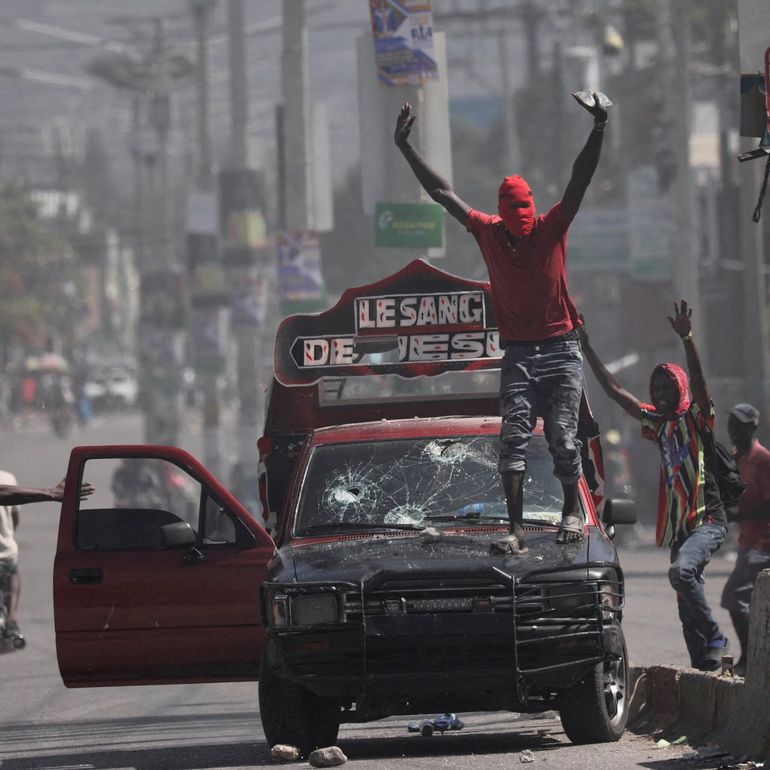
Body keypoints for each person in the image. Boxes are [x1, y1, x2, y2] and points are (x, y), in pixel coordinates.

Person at [394, 91, 610, 554]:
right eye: (514, 222)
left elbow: (579, 179)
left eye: (525, 220)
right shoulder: (488, 231)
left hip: (560, 348)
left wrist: (599, 128)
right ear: (502, 217)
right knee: (512, 437)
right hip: (518, 352)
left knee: (563, 438)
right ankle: (514, 530)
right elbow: (441, 193)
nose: (520, 229)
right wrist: (405, 147)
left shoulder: (551, 227)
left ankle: (571, 511)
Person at [578, 300, 730, 671]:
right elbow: (615, 391)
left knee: (681, 574)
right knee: (684, 606)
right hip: (681, 530)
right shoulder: (657, 425)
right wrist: (586, 348)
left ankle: (716, 635)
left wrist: (687, 339)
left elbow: (700, 382)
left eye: (667, 386)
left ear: (679, 389)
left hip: (707, 521)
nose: (660, 392)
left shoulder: (697, 418)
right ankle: (705, 669)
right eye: (656, 387)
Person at [0, 475, 95, 646]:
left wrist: (51, 493)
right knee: (13, 570)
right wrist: (50, 493)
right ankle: (12, 621)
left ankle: (12, 621)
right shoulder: (7, 476)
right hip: (7, 552)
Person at [720, 403, 770, 676]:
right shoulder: (735, 457)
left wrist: (741, 515)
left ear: (752, 427)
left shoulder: (763, 460)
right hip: (747, 542)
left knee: (735, 598)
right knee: (751, 603)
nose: (734, 430)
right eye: (732, 425)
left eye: (740, 425)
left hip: (763, 544)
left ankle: (752, 659)